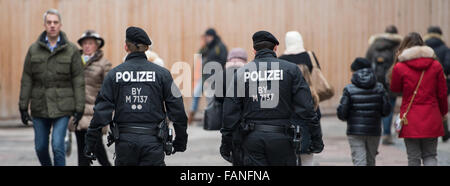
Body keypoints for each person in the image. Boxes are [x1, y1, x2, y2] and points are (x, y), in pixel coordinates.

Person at [84, 26, 188, 166]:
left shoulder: (114, 75)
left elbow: (101, 112)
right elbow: (177, 110)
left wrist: (90, 143)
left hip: (125, 144)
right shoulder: (162, 74)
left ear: (126, 47)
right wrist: (180, 141)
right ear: (146, 48)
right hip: (153, 143)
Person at [220, 31, 321, 166]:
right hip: (283, 139)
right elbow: (306, 108)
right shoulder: (291, 70)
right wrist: (315, 138)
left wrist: (226, 143)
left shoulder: (242, 73)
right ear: (275, 48)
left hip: (252, 139)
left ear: (254, 51)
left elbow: (230, 112)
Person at [18, 9, 85, 166]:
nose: (52, 25)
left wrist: (80, 106)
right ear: (44, 25)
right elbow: (27, 79)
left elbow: (78, 79)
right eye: (49, 22)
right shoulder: (33, 50)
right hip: (39, 106)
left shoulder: (71, 50)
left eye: (55, 22)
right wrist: (22, 106)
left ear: (60, 25)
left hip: (63, 106)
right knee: (40, 147)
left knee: (57, 146)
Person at [389, 32, 448, 166]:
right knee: (430, 155)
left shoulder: (400, 67)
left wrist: (397, 61)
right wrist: (443, 113)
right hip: (432, 116)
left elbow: (395, 88)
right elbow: (442, 94)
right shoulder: (436, 65)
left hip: (410, 117)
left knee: (413, 157)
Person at [67, 30, 112, 166]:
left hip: (94, 113)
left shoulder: (104, 64)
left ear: (97, 45)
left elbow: (109, 89)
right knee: (82, 151)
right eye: (84, 43)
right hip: (78, 112)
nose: (87, 46)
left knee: (98, 149)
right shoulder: (74, 62)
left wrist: (106, 111)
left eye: (90, 43)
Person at [279, 31, 324, 166]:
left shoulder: (281, 60)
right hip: (310, 98)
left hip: (288, 106)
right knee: (306, 150)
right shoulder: (309, 56)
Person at [337, 57, 391, 166]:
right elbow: (386, 111)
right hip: (374, 130)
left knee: (359, 161)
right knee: (371, 161)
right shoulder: (380, 88)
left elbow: (342, 113)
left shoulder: (349, 89)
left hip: (355, 130)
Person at [365, 25, 402, 145]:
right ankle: (386, 133)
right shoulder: (398, 47)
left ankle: (375, 132)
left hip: (376, 82)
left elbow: (367, 63)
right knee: (389, 108)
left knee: (376, 107)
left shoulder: (374, 45)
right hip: (392, 82)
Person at [188, 28, 228, 125]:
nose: (206, 38)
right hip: (205, 76)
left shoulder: (220, 46)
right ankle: (191, 116)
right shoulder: (207, 47)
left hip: (214, 76)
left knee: (211, 98)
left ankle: (212, 118)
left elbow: (223, 60)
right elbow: (199, 54)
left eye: (207, 37)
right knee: (196, 94)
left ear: (212, 36)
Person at [424, 26, 450, 142]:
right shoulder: (445, 48)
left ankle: (429, 130)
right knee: (442, 105)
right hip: (442, 81)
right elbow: (448, 66)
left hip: (424, 81)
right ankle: (444, 132)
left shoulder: (423, 48)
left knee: (427, 105)